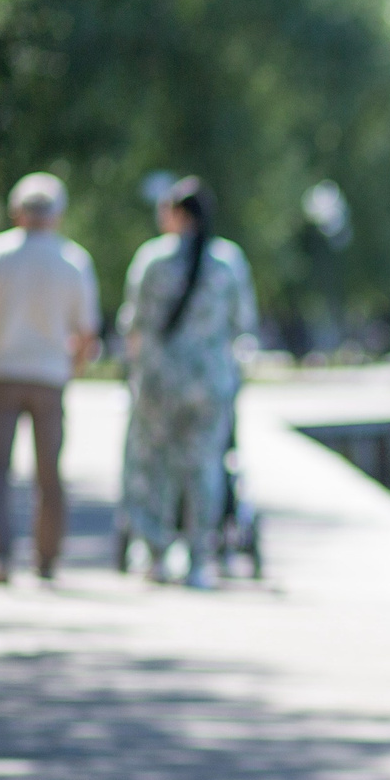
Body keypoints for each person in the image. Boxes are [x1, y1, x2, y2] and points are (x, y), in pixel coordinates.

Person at [118, 177, 256, 587]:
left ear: (176, 214)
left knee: (154, 466)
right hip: (210, 383)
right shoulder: (228, 262)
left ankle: (156, 553)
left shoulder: (153, 260)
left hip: (161, 383)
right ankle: (200, 559)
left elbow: (134, 324)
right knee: (205, 469)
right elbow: (242, 324)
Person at [0, 172, 100, 585]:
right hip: (48, 375)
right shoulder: (72, 260)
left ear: (17, 211)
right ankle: (47, 556)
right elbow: (86, 333)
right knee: (49, 473)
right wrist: (71, 371)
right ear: (57, 215)